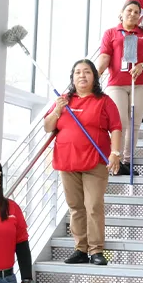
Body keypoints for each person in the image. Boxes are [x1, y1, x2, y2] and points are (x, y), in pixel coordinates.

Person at [43, 59, 122, 265]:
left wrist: (115, 153)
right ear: (72, 77)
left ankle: (96, 250)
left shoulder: (104, 101)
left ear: (94, 76)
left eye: (87, 72)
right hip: (67, 161)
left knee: (93, 205)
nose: (82, 76)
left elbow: (116, 127)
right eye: (77, 72)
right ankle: (80, 249)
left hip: (95, 161)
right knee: (76, 207)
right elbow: (48, 127)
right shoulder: (63, 100)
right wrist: (57, 110)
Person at [97, 0, 143, 176]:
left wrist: (142, 66)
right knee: (120, 122)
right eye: (129, 10)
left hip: (140, 84)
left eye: (136, 12)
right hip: (116, 84)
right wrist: (96, 73)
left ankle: (128, 161)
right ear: (122, 13)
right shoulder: (111, 33)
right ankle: (115, 160)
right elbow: (105, 57)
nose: (132, 14)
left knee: (134, 123)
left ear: (139, 17)